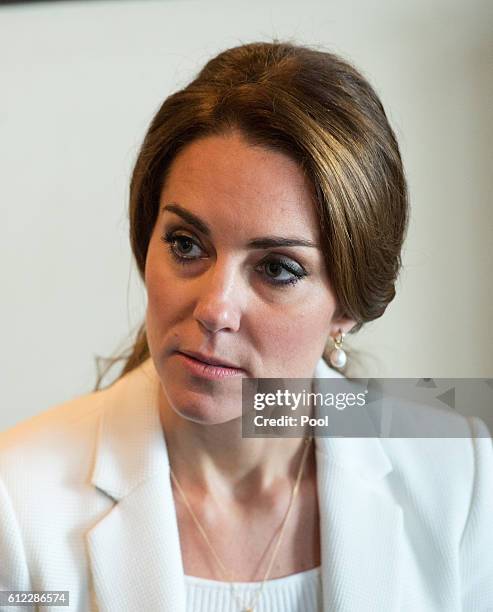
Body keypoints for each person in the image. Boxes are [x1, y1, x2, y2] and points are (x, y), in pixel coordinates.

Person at [1, 40, 492, 612]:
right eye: (186, 245)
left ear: (348, 306)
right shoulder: (17, 497)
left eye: (277, 268)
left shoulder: (461, 470)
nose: (214, 307)